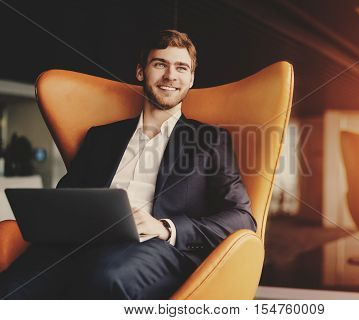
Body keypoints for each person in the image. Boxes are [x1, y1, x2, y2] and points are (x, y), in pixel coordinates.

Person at [0, 30, 256, 299]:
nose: (170, 75)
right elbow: (67, 197)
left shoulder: (210, 140)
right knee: (10, 290)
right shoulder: (100, 137)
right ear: (140, 72)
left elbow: (242, 217)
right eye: (160, 64)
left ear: (191, 78)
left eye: (181, 67)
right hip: (78, 245)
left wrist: (166, 227)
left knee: (106, 278)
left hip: (155, 249)